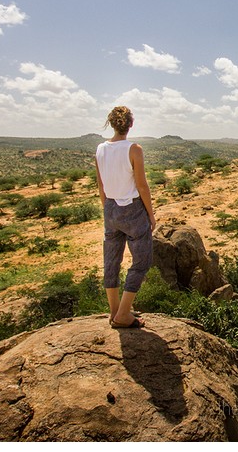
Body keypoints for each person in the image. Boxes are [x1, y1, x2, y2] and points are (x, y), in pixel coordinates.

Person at [95, 106, 156, 328]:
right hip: (132, 210)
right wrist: (151, 214)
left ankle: (114, 311)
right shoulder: (134, 149)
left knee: (111, 260)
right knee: (141, 261)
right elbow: (141, 185)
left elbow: (101, 186)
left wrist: (108, 211)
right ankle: (123, 314)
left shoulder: (100, 149)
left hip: (110, 208)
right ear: (130, 124)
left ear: (111, 124)